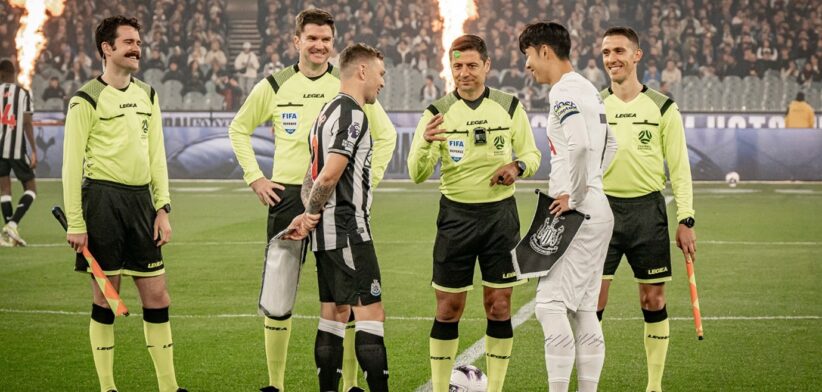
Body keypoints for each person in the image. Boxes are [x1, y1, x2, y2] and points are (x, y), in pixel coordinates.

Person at [227, 9, 396, 392]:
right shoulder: (275, 85)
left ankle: (350, 383)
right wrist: (255, 177)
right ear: (297, 41)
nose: (319, 46)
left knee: (340, 299)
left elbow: (385, 137)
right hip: (290, 195)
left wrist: (367, 184)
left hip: (332, 200)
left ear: (334, 45)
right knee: (281, 294)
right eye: (312, 39)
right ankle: (276, 384)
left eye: (326, 40)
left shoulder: (346, 85)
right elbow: (238, 128)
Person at [407, 34, 541, 392]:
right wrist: (424, 142)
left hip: (500, 218)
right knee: (449, 308)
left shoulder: (510, 107)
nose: (464, 73)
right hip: (456, 219)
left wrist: (516, 167)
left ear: (486, 66)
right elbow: (416, 173)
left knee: (498, 306)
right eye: (457, 66)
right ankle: (439, 388)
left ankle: (495, 388)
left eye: (470, 66)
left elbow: (532, 155)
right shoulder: (437, 113)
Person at [62, 16, 186, 392]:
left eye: (139, 42)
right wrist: (75, 222)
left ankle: (168, 386)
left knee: (157, 294)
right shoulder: (85, 99)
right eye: (129, 42)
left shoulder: (148, 95)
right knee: (106, 296)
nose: (137, 48)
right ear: (107, 48)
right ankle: (108, 387)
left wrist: (162, 207)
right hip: (102, 202)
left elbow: (157, 156)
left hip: (141, 204)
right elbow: (70, 166)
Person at [284, 42, 390, 392]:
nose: (382, 82)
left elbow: (309, 176)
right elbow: (328, 175)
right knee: (371, 315)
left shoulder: (324, 114)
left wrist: (307, 213)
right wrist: (311, 211)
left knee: (332, 315)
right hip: (348, 231)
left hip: (326, 236)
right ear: (362, 71)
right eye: (380, 74)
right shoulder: (352, 114)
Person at [518, 22, 617, 392]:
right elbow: (612, 145)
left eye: (528, 55)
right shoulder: (589, 89)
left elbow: (577, 146)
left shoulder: (563, 93)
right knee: (584, 309)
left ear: (545, 50)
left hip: (575, 212)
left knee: (549, 304)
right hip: (596, 207)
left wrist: (574, 196)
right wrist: (592, 184)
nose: (527, 65)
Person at [599, 26, 697, 392]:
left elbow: (680, 169)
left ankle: (654, 385)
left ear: (637, 55)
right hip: (602, 212)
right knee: (593, 300)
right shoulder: (594, 105)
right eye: (607, 52)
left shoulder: (662, 106)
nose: (613, 58)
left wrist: (685, 218)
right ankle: (588, 383)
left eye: (620, 51)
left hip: (647, 211)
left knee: (652, 298)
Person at [0, 59, 36, 247]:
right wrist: (34, 151)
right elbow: (28, 122)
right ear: (13, 73)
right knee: (31, 188)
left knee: (5, 190)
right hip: (16, 148)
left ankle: (8, 234)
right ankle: (12, 224)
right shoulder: (23, 93)